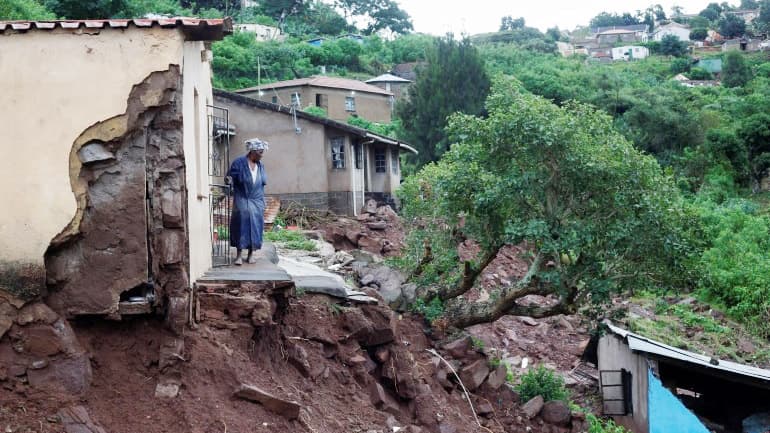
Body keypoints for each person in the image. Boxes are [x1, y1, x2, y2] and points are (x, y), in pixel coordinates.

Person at [227, 138, 268, 265]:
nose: (262, 155)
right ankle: (239, 255)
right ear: (252, 151)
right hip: (242, 197)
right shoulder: (239, 163)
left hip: (257, 200)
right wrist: (229, 181)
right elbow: (229, 177)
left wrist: (263, 202)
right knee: (240, 223)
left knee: (256, 226)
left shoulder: (260, 166)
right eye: (260, 152)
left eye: (262, 152)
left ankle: (251, 254)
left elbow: (262, 185)